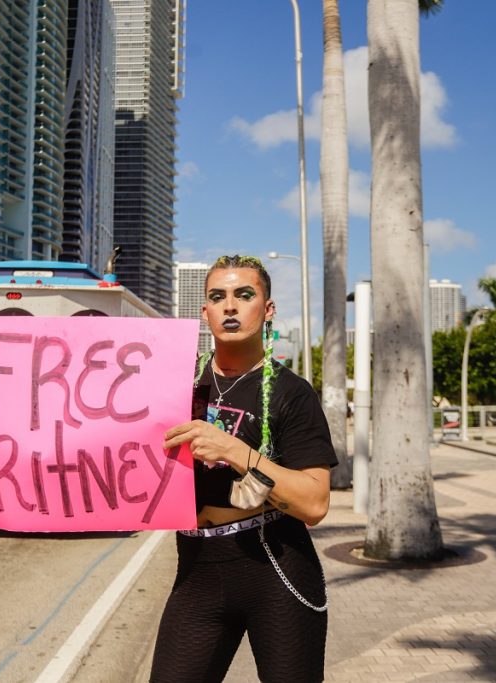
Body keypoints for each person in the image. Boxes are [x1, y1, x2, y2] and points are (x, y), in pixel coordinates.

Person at [150, 255, 337, 683]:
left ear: (267, 309)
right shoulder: (177, 385)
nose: (229, 306)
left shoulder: (292, 392)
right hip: (196, 567)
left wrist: (236, 452)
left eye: (243, 295)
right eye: (217, 297)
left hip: (276, 569)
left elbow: (314, 502)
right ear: (205, 312)